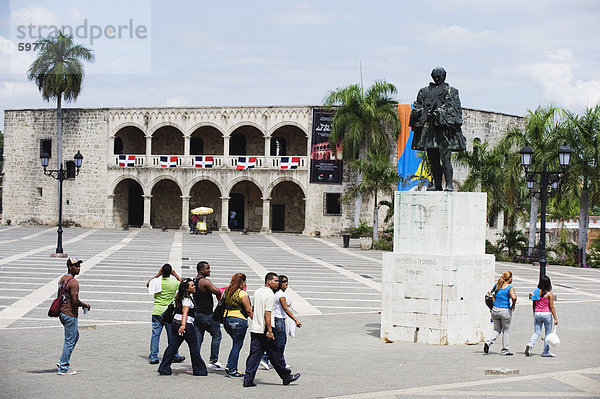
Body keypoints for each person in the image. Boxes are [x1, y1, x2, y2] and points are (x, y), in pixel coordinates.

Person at [409, 66, 466, 191]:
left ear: (444, 76)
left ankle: (449, 184)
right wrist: (418, 113)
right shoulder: (424, 91)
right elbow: (418, 105)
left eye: (439, 76)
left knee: (445, 158)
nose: (437, 78)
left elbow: (452, 109)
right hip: (429, 130)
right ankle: (438, 185)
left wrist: (437, 113)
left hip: (443, 130)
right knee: (433, 159)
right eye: (435, 76)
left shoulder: (451, 91)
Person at [243, 272, 300, 387]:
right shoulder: (270, 295)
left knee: (254, 355)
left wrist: (256, 321)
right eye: (275, 281)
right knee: (275, 353)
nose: (277, 283)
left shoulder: (258, 291)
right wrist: (269, 331)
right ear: (268, 282)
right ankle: (286, 376)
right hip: (265, 329)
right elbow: (267, 313)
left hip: (256, 328)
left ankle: (248, 379)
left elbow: (253, 309)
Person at [158, 278, 208, 376]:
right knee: (193, 347)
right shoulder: (186, 299)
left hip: (175, 322)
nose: (194, 287)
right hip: (185, 325)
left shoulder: (179, 296)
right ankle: (199, 370)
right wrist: (183, 325)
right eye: (192, 286)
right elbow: (185, 312)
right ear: (186, 289)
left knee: (173, 346)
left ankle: (164, 367)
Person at [56, 258, 91, 375]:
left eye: (79, 266)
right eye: (76, 266)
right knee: (70, 340)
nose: (78, 268)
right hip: (69, 314)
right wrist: (85, 305)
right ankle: (63, 366)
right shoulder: (74, 283)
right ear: (70, 267)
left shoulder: (63, 279)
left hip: (62, 312)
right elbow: (75, 301)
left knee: (74, 337)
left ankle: (63, 359)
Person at [146, 264, 185, 365]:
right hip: (169, 312)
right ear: (170, 272)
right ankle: (174, 355)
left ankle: (153, 356)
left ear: (162, 272)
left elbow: (148, 284)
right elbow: (183, 285)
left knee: (155, 335)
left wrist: (158, 274)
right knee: (172, 335)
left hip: (157, 311)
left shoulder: (156, 281)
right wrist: (175, 274)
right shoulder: (173, 282)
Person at [260, 275, 302, 370]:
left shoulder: (274, 293)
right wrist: (296, 320)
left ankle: (275, 360)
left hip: (275, 318)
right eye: (284, 282)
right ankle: (270, 359)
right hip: (279, 319)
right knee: (281, 342)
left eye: (287, 282)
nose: (286, 285)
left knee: (277, 341)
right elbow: (286, 309)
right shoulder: (280, 294)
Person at [193, 261, 224, 370]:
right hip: (207, 314)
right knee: (217, 335)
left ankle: (195, 360)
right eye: (208, 268)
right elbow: (218, 292)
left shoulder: (194, 281)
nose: (209, 270)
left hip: (197, 314)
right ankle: (213, 360)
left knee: (198, 338)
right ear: (201, 270)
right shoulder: (205, 282)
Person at [222, 273, 253, 377]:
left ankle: (230, 364)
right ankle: (232, 369)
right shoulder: (242, 293)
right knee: (237, 345)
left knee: (235, 343)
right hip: (239, 320)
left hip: (226, 319)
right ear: (243, 282)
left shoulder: (227, 291)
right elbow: (248, 310)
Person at [484, 271, 517, 355]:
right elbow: (514, 297)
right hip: (505, 310)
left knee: (496, 329)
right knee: (506, 330)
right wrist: (513, 304)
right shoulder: (509, 287)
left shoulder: (497, 286)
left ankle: (488, 342)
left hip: (495, 310)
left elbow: (491, 295)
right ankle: (505, 350)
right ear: (510, 279)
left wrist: (491, 307)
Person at [525, 275, 558, 357]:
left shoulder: (536, 291)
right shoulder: (549, 294)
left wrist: (534, 312)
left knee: (536, 332)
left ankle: (530, 344)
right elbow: (551, 306)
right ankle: (546, 352)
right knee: (548, 333)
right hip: (546, 314)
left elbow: (534, 304)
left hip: (537, 313)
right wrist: (555, 318)